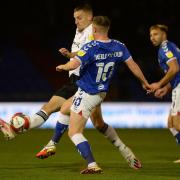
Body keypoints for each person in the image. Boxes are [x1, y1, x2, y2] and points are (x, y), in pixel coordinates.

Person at [0, 4, 141, 170]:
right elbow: (85, 51)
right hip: (87, 83)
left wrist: (67, 64)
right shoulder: (81, 30)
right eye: (74, 18)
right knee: (98, 123)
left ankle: (18, 127)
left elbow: (93, 50)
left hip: (81, 80)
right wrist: (71, 54)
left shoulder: (92, 31)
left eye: (79, 18)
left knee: (52, 108)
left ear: (91, 18)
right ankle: (125, 152)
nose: (76, 21)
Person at [55, 15, 150, 174]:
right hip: (101, 92)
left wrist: (64, 66)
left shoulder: (90, 46)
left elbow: (75, 63)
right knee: (77, 114)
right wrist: (144, 82)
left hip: (87, 93)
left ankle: (92, 165)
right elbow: (132, 65)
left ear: (94, 29)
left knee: (74, 132)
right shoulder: (119, 46)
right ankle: (124, 150)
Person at [149, 24, 180, 163]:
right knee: (171, 124)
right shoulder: (169, 47)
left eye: (155, 34)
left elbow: (175, 68)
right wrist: (166, 88)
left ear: (164, 34)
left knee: (177, 123)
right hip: (175, 86)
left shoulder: (165, 47)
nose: (152, 38)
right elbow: (173, 72)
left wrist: (159, 84)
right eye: (151, 35)